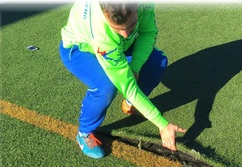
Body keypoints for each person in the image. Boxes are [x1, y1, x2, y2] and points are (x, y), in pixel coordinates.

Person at [59, 0, 186, 159]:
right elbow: (128, 86)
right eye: (118, 28)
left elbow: (147, 32)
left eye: (132, 25)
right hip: (80, 48)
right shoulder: (102, 33)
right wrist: (162, 124)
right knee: (106, 87)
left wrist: (135, 66)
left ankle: (131, 105)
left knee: (157, 62)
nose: (126, 34)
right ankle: (84, 132)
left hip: (116, 43)